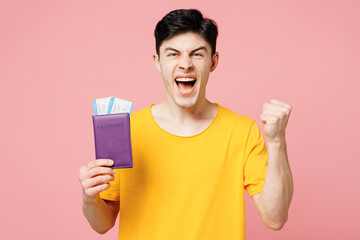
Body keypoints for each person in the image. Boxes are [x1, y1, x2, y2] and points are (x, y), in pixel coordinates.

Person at [79, 9, 293, 239]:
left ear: (213, 62)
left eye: (197, 54)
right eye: (173, 54)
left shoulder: (242, 131)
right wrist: (89, 197)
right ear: (157, 62)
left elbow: (275, 217)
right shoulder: (128, 130)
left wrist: (277, 140)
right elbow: (102, 224)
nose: (185, 64)